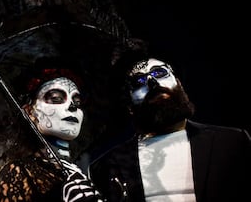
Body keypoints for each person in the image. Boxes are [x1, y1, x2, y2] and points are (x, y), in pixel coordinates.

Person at [87, 53, 251, 202]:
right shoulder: (105, 167)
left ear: (178, 83)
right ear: (129, 106)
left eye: (159, 73)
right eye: (139, 82)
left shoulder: (231, 143)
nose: (152, 82)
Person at [0, 63, 102, 202]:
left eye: (77, 101)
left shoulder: (92, 166)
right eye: (56, 98)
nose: (72, 106)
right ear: (29, 112)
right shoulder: (20, 172)